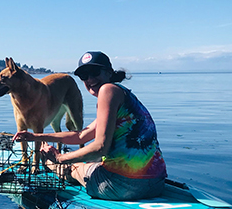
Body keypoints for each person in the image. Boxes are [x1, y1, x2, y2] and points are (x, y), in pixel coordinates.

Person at [13, 51, 167, 200]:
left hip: (120, 186)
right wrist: (36, 136)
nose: (90, 79)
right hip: (157, 182)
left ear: (108, 72)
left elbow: (100, 148)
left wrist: (60, 158)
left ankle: (47, 163)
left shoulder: (107, 91)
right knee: (91, 162)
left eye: (95, 72)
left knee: (71, 168)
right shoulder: (123, 95)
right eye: (84, 75)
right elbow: (81, 135)